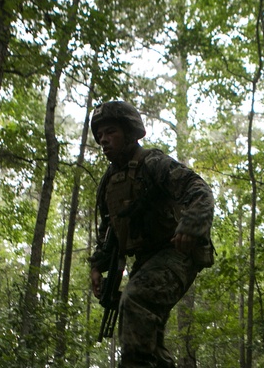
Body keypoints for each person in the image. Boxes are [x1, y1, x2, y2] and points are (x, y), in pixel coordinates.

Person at [88, 101, 215, 367]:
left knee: (136, 302)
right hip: (145, 261)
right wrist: (98, 266)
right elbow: (108, 230)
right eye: (100, 136)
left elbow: (199, 189)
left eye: (110, 132)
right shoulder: (109, 182)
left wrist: (190, 225)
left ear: (129, 131)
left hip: (177, 253)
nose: (104, 140)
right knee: (148, 340)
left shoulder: (153, 163)